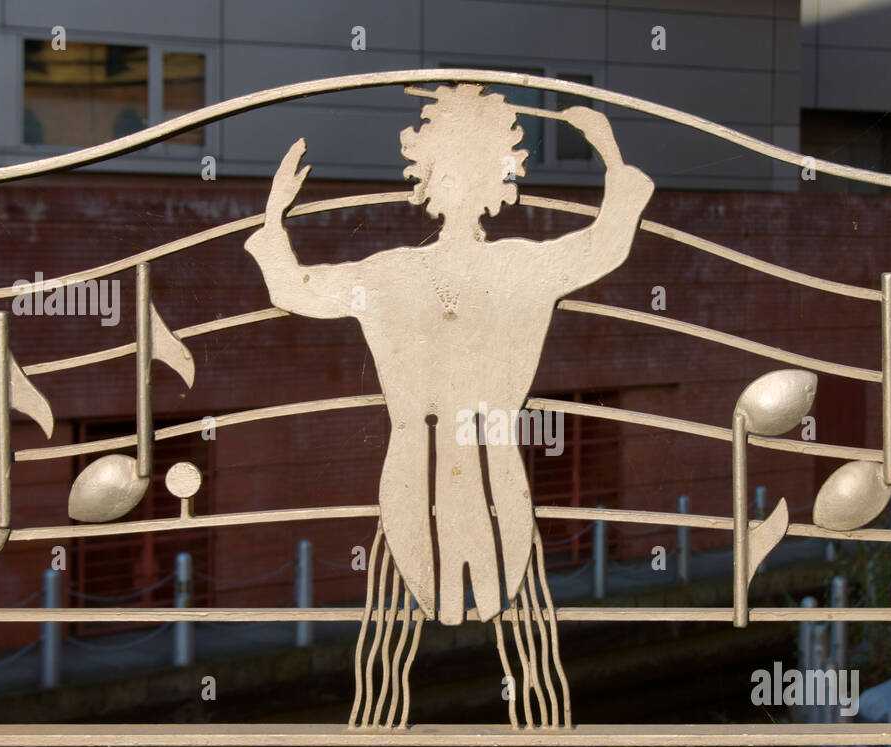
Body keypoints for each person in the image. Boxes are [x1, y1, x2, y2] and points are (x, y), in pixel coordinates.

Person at [246, 83, 654, 628]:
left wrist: (274, 218)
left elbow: (293, 288)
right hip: (434, 462)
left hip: (481, 464)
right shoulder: (436, 272)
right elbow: (607, 239)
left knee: (478, 593)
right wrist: (608, 154)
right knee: (462, 594)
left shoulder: (440, 272)